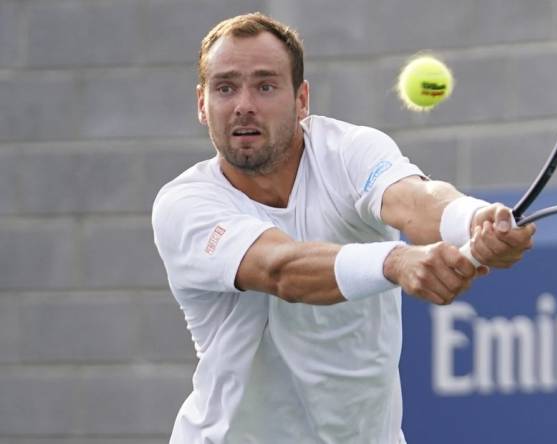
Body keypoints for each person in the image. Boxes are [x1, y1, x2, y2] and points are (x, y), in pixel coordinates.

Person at [151, 12, 535, 444]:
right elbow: (282, 269)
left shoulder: (349, 150)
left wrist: (472, 219)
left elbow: (412, 200)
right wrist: (395, 261)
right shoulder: (184, 205)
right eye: (225, 88)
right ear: (203, 104)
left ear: (301, 100)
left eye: (265, 85)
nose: (244, 104)